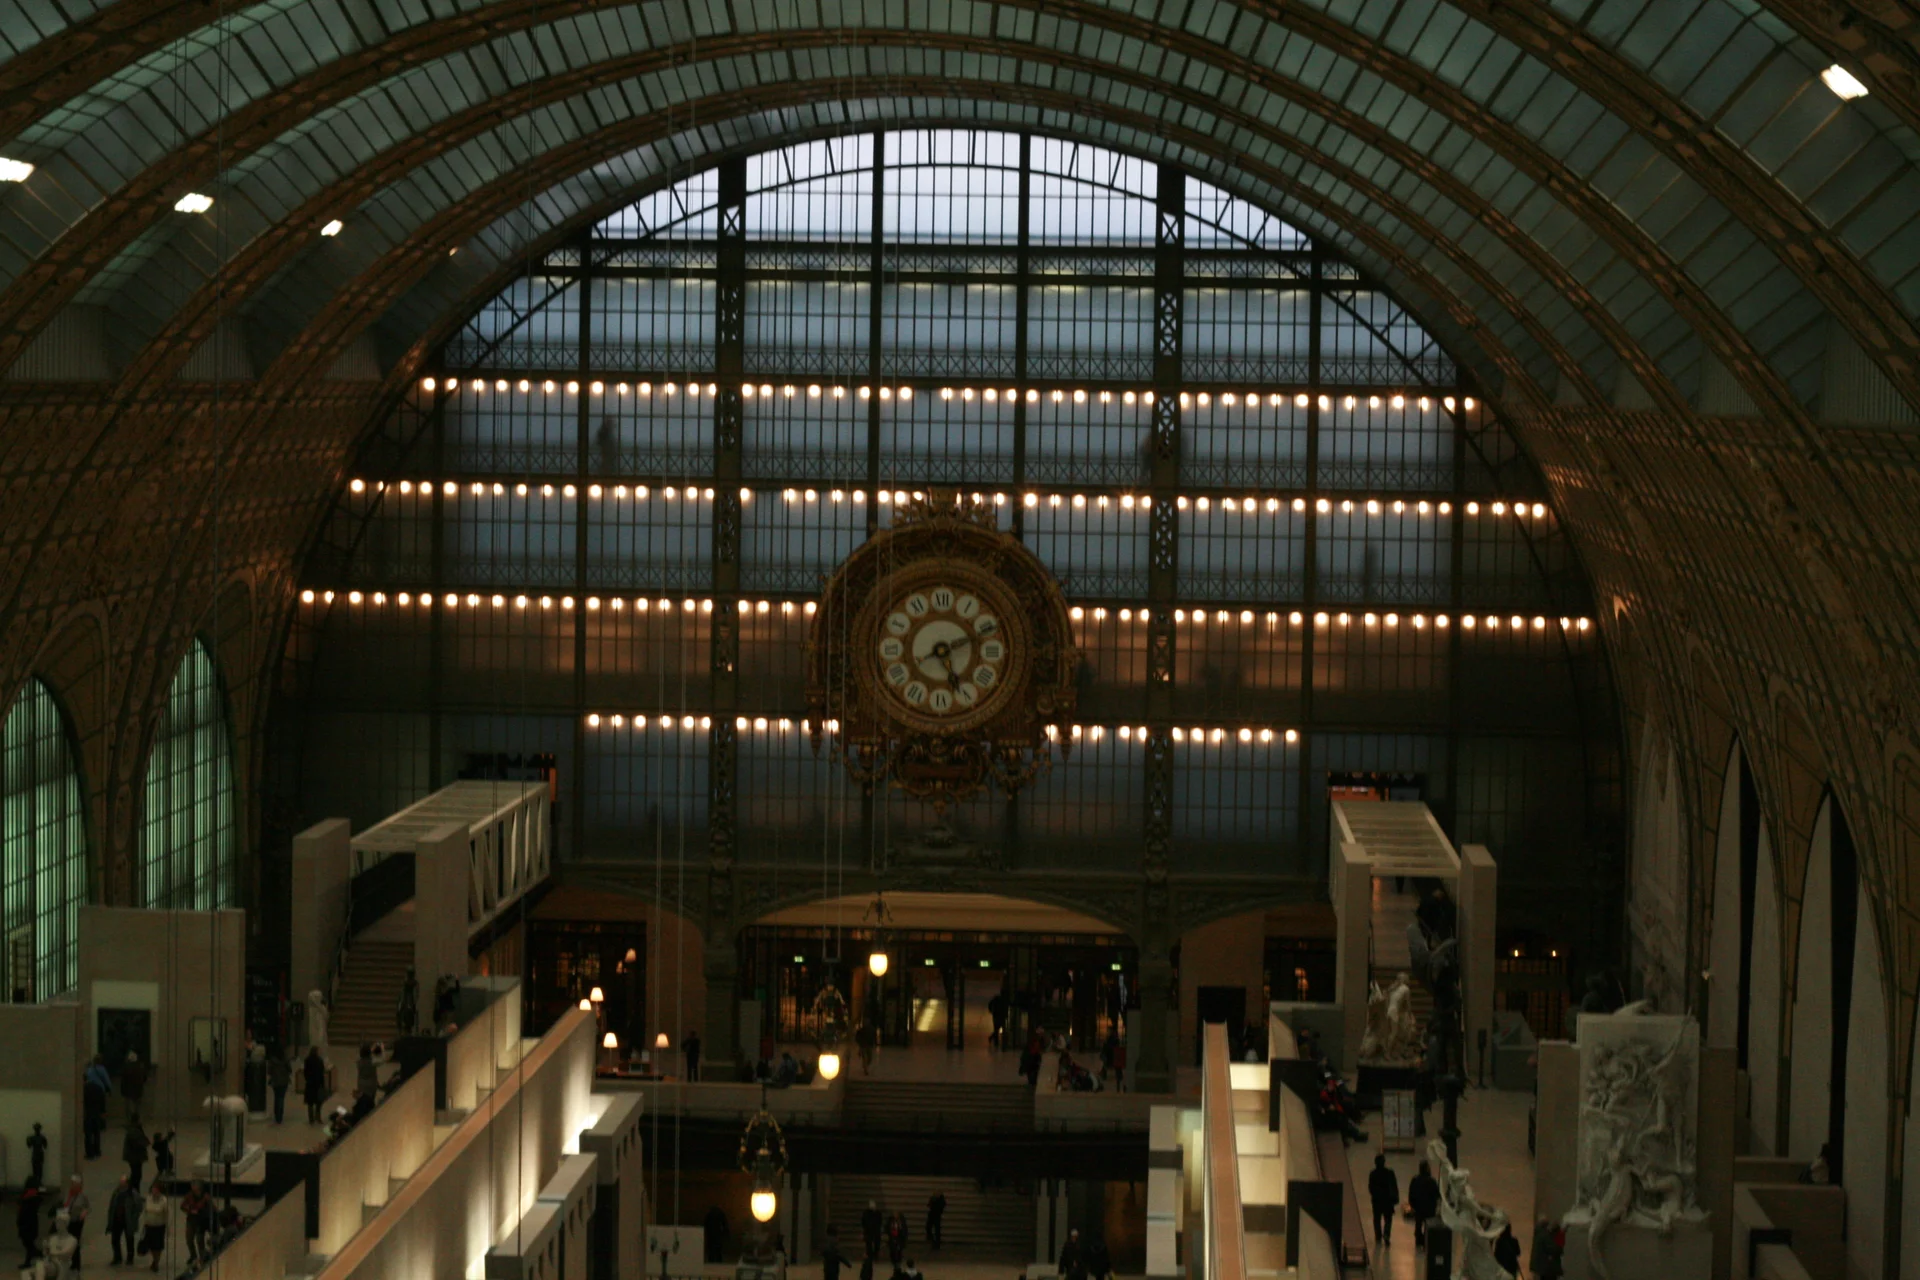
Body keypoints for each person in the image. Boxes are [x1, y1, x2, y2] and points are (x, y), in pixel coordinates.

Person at [1367, 1153, 1399, 1247]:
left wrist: (1375, 1195)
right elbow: (1394, 1186)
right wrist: (1395, 1198)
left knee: (1377, 1219)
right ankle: (1386, 1234)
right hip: (1387, 1200)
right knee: (1388, 1219)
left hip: (1377, 1201)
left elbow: (1371, 1188)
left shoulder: (1373, 1174)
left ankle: (1378, 1235)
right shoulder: (1389, 1173)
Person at [58, 1173, 89, 1268]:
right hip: (67, 1220)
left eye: (74, 1184)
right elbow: (64, 1204)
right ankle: (69, 1261)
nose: (72, 1186)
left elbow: (87, 1207)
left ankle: (76, 1263)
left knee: (75, 1242)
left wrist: (84, 1213)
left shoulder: (82, 1196)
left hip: (77, 1221)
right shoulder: (68, 1194)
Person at [1408, 1159, 1441, 1247]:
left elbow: (1411, 1193)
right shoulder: (1431, 1181)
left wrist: (1412, 1204)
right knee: (1428, 1225)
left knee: (1418, 1224)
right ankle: (1426, 1240)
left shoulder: (1415, 1180)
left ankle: (1418, 1239)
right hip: (1429, 1208)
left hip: (1418, 1207)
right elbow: (1437, 1195)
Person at [83, 1054, 111, 1158]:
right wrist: (109, 1090)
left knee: (88, 1131)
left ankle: (89, 1152)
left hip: (88, 1102)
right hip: (99, 1094)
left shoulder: (89, 1070)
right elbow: (107, 1080)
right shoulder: (102, 1069)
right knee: (97, 1129)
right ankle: (97, 1150)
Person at [108, 1175, 140, 1266]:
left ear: (126, 1183)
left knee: (129, 1239)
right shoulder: (116, 1192)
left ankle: (130, 1258)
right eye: (120, 1181)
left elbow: (138, 1207)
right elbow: (112, 1205)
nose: (120, 1183)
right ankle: (117, 1257)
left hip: (127, 1220)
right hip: (117, 1219)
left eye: (122, 1182)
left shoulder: (132, 1193)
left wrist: (133, 1218)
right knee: (115, 1240)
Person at [181, 1180, 213, 1266]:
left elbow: (211, 1207)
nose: (193, 1188)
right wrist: (189, 1210)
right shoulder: (189, 1195)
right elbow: (182, 1206)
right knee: (189, 1239)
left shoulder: (206, 1196)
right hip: (191, 1220)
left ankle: (202, 1257)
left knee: (200, 1240)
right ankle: (193, 1256)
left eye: (195, 1186)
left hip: (201, 1221)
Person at [140, 1182, 170, 1272]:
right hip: (149, 1226)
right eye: (153, 1189)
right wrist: (143, 1223)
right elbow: (145, 1211)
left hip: (159, 1227)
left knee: (158, 1246)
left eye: (156, 1189)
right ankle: (154, 1259)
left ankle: (156, 1262)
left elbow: (167, 1214)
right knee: (151, 1246)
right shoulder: (148, 1199)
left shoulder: (164, 1200)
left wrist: (168, 1227)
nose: (154, 1191)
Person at [16, 1175, 45, 1265]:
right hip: (28, 1224)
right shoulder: (30, 1195)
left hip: (27, 1224)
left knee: (29, 1244)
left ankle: (39, 1255)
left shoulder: (30, 1196)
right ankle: (29, 1261)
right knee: (29, 1244)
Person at [120, 1051, 149, 1127]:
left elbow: (123, 1079)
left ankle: (129, 1121)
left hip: (128, 1090)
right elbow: (144, 1078)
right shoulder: (141, 1066)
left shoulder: (126, 1067)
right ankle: (138, 1120)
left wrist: (122, 1090)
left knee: (129, 1107)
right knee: (137, 1107)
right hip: (138, 1089)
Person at [267, 1045, 292, 1123]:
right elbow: (289, 1069)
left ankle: (276, 1114)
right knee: (281, 1098)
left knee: (276, 1097)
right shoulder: (285, 1059)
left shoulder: (272, 1060)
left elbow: (269, 1071)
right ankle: (280, 1115)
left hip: (275, 1081)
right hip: (284, 1081)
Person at [304, 1045, 329, 1123]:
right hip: (318, 1084)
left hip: (310, 1084)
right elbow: (322, 1072)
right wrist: (323, 1084)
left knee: (310, 1103)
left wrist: (307, 1079)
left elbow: (305, 1072)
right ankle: (318, 1117)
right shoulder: (319, 1060)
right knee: (318, 1102)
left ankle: (311, 1119)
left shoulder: (307, 1060)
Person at [124, 1120, 150, 1191]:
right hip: (135, 1157)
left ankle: (134, 1191)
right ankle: (133, 1191)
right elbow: (143, 1143)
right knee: (136, 1175)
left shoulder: (134, 1131)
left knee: (136, 1175)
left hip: (134, 1157)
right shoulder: (135, 1132)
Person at [397, 967, 420, 1036]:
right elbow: (402, 993)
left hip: (410, 1002)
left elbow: (416, 994)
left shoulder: (414, 984)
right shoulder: (405, 983)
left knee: (410, 1019)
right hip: (406, 1002)